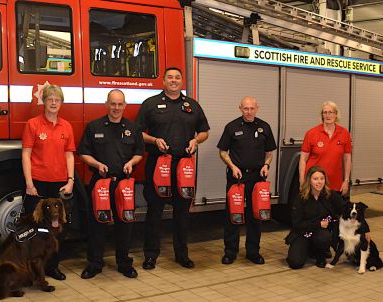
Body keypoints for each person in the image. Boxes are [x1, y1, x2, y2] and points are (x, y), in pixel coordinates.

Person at [136, 67, 210, 270]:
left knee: (182, 212)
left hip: (183, 166)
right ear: (163, 81)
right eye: (170, 77)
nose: (174, 80)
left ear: (182, 81)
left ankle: (182, 255)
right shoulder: (150, 104)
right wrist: (154, 139)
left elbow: (205, 131)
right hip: (159, 165)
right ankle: (150, 255)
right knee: (154, 212)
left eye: (178, 77)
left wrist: (196, 140)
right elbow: (137, 132)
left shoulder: (192, 105)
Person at [78, 89, 144, 279]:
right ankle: (94, 264)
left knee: (125, 223)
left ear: (125, 105)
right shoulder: (94, 127)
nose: (116, 108)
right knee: (97, 224)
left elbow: (139, 152)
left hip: (123, 184)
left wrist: (132, 163)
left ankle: (124, 263)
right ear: (107, 104)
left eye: (120, 104)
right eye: (113, 104)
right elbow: (83, 153)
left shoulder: (133, 128)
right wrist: (96, 164)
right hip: (100, 184)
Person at [22, 84, 75, 281]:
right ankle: (30, 270)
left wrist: (70, 181)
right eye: (50, 99)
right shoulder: (32, 124)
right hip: (37, 184)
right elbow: (26, 154)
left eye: (57, 100)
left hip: (59, 184)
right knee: (34, 228)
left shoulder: (66, 126)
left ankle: (52, 267)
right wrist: (29, 183)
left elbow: (69, 155)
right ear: (44, 102)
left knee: (58, 228)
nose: (54, 103)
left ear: (61, 103)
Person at [217, 96, 276, 265]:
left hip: (257, 178)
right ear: (240, 108)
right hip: (237, 178)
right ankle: (230, 252)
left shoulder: (264, 127)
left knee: (255, 216)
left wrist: (266, 165)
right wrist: (232, 166)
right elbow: (222, 151)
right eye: (245, 109)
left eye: (252, 108)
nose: (249, 112)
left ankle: (253, 251)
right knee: (233, 215)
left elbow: (270, 152)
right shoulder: (232, 127)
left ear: (257, 108)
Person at [285, 165, 345, 269]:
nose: (319, 182)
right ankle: (307, 249)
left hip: (320, 234)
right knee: (295, 263)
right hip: (303, 233)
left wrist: (365, 229)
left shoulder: (330, 195)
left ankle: (320, 256)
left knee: (324, 236)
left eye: (322, 179)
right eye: (315, 179)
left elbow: (346, 209)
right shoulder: (300, 198)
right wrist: (318, 224)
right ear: (309, 181)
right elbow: (297, 224)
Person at [299, 101, 352, 197]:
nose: (328, 115)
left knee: (332, 211)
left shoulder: (344, 133)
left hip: (335, 184)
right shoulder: (311, 133)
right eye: (325, 112)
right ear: (322, 115)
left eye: (331, 112)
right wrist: (302, 181)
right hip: (314, 185)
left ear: (336, 114)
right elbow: (303, 159)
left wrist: (346, 181)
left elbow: (347, 159)